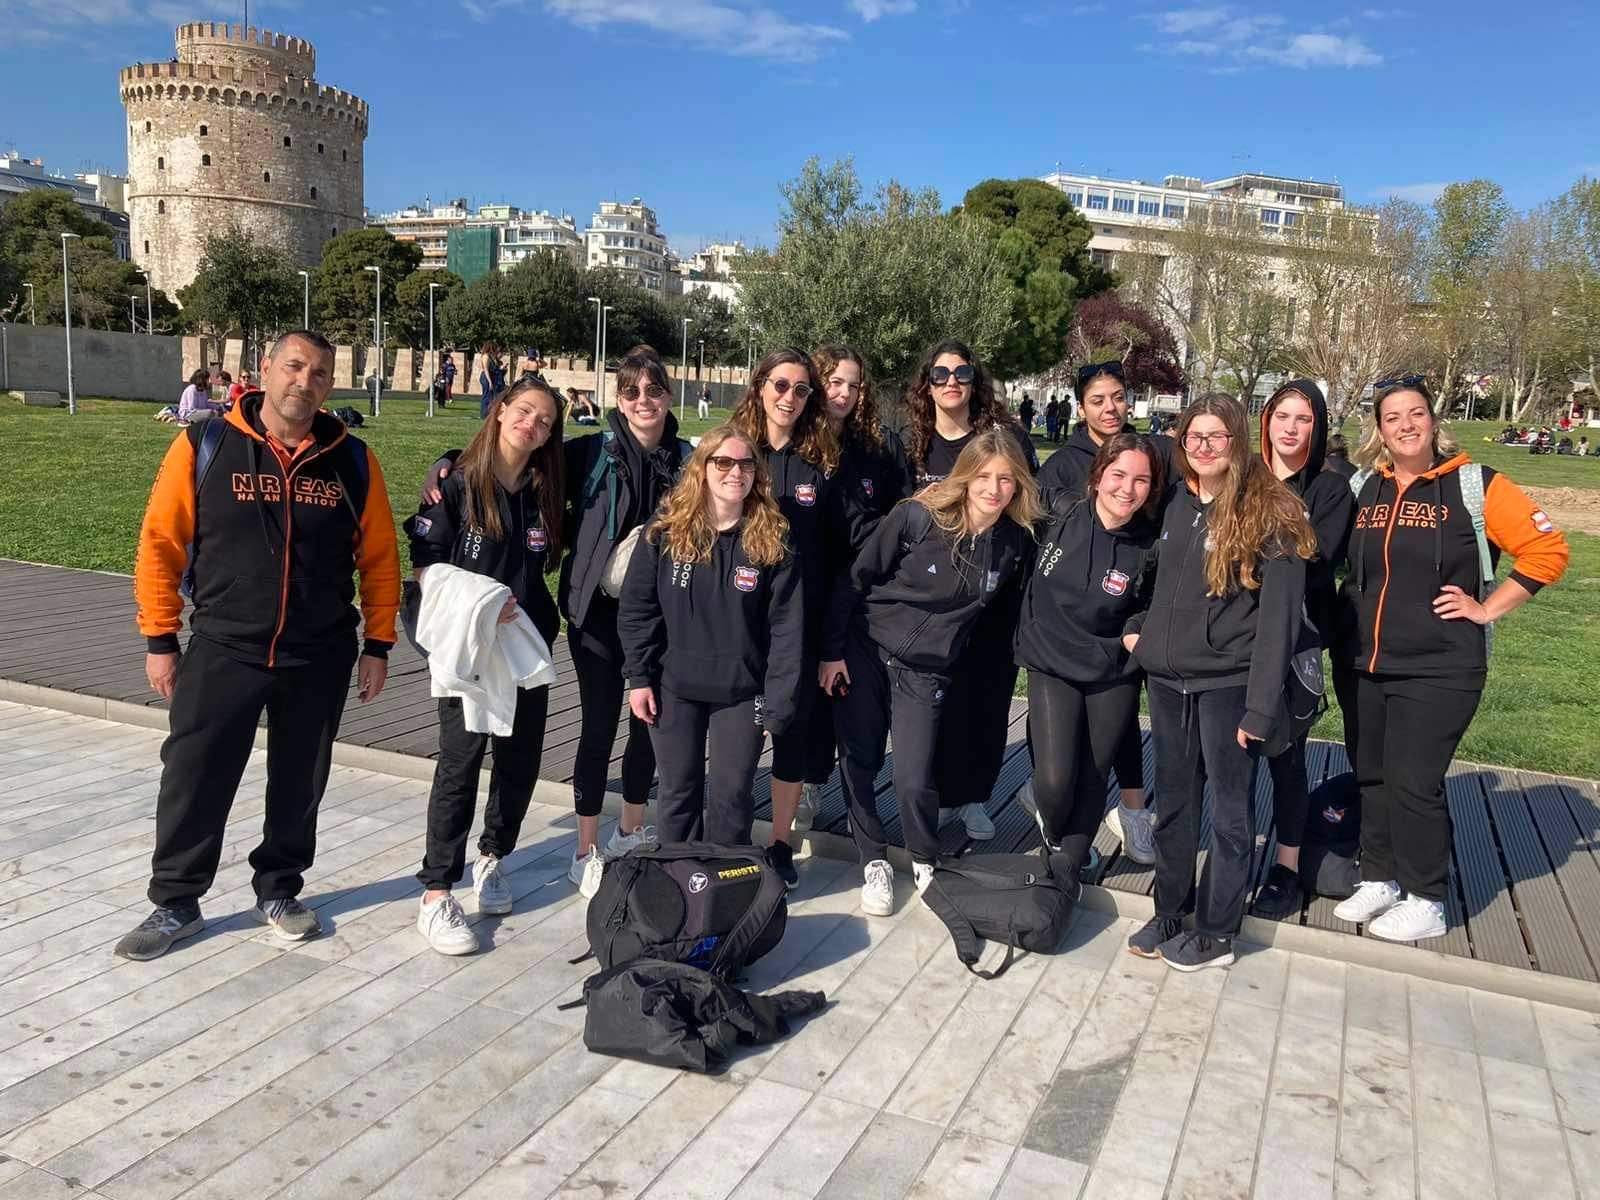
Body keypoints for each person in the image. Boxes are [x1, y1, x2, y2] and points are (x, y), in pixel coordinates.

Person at [121, 330, 401, 961]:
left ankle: (279, 888)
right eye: (294, 366)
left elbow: (381, 559)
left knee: (300, 779)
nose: (305, 381)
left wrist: (379, 642)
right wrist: (160, 637)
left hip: (319, 651)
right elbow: (160, 542)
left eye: (320, 373)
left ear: (330, 385)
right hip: (225, 644)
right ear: (266, 368)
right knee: (195, 773)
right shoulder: (206, 444)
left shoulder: (353, 461)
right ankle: (176, 901)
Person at [1331, 378, 1568, 941]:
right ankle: (1380, 876)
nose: (1406, 425)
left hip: (1439, 665)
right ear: (1380, 430)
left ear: (1434, 421)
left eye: (1416, 413)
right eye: (1393, 417)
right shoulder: (1365, 486)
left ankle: (1427, 897)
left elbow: (1548, 549)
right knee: (1372, 774)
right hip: (1362, 660)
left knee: (1414, 780)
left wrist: (1486, 608)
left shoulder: (1474, 485)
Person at [1123, 394, 1315, 971]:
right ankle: (1171, 910)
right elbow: (1161, 585)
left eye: (1216, 436)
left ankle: (1216, 931)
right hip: (1169, 682)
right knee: (1174, 806)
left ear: (1237, 439)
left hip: (1230, 684)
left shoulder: (1272, 512)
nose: (1203, 447)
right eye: (1193, 437)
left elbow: (1280, 623)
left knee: (1231, 814)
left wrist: (1260, 709)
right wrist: (1140, 630)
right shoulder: (1177, 503)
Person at [823, 429, 1040, 910]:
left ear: (1019, 485)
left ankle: (924, 857)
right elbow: (855, 580)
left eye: (1006, 479)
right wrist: (831, 652)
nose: (994, 488)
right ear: (965, 477)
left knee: (914, 776)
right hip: (866, 652)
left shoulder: (1013, 542)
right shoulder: (916, 518)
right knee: (860, 761)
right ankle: (873, 859)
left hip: (925, 672)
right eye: (983, 476)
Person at [406, 377, 565, 955]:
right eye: (524, 411)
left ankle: (493, 857)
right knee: (461, 759)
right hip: (467, 645)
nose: (532, 425)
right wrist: (483, 603)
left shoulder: (545, 491)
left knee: (520, 760)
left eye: (544, 420)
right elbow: (424, 567)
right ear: (499, 411)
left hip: (523, 645)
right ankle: (436, 891)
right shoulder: (456, 484)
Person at [619, 426, 805, 847]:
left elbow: (786, 628)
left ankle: (724, 880)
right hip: (674, 687)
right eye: (723, 462)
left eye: (746, 464)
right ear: (702, 468)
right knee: (676, 793)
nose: (735, 472)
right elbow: (637, 609)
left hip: (741, 691)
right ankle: (680, 877)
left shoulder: (772, 537)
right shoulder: (667, 530)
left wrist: (778, 702)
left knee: (731, 797)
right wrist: (640, 678)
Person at [561, 348, 694, 889]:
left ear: (669, 395)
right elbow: (515, 461)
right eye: (632, 391)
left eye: (654, 390)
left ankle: (631, 829)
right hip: (597, 613)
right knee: (597, 726)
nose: (644, 400)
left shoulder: (686, 460)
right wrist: (446, 460)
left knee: (648, 727)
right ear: (618, 398)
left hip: (660, 619)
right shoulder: (590, 451)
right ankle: (585, 848)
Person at [1035, 359, 1175, 856]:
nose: (1110, 407)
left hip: (1124, 621)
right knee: (1058, 761)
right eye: (1097, 400)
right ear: (1081, 408)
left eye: (1118, 397)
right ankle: (1053, 808)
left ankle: (1129, 812)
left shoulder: (1154, 453)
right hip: (1062, 634)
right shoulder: (1062, 470)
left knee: (1114, 732)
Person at [900, 340, 1037, 841]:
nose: (951, 382)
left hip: (993, 595)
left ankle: (974, 795)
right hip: (934, 601)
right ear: (927, 385)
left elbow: (1026, 507)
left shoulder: (1004, 439)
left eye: (962, 373)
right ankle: (937, 795)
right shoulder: (912, 445)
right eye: (940, 374)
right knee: (937, 703)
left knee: (987, 700)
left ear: (975, 381)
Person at [1015, 433, 1162, 883]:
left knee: (1091, 777)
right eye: (1118, 475)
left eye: (1141, 480)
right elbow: (997, 486)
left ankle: (1067, 862)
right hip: (1051, 658)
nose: (1127, 489)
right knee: (1056, 783)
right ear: (1097, 477)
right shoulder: (1058, 512)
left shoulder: (1151, 543)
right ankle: (1050, 817)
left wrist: (1136, 628)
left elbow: (1153, 603)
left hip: (1111, 669)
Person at [730, 349, 842, 888]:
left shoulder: (820, 463)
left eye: (801, 390)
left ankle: (779, 843)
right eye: (780, 385)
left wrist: (829, 641)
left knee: (791, 736)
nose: (789, 398)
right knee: (736, 738)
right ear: (760, 386)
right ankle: (729, 841)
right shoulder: (732, 453)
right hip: (737, 620)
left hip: (797, 624)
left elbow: (838, 557)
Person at [1250, 381, 1356, 919]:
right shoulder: (1243, 475)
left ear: (1318, 427)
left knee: (1285, 757)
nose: (1290, 428)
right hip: (1232, 635)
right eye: (1282, 416)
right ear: (1266, 420)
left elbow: (1317, 556)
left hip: (1296, 639)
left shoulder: (1330, 490)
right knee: (1226, 756)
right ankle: (1228, 852)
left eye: (1304, 419)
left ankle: (1286, 867)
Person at [809, 345, 913, 845]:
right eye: (834, 382)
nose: (844, 393)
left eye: (853, 385)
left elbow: (902, 515)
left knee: (851, 698)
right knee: (805, 702)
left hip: (858, 593)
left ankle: (860, 806)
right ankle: (809, 780)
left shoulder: (877, 446)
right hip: (804, 590)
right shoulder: (796, 444)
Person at [479, 343, 505, 418]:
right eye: (494, 348)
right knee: (486, 395)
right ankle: (484, 414)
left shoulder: (491, 356)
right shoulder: (486, 356)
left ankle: (489, 413)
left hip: (491, 376)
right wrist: (489, 381)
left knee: (490, 396)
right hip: (486, 377)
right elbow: (486, 369)